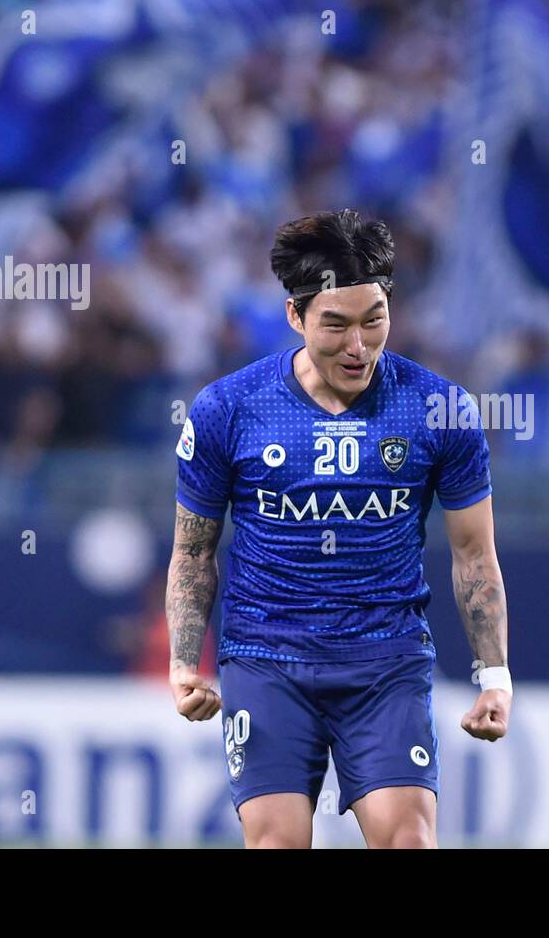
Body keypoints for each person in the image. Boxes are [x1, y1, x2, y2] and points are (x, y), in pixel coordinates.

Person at [165, 209, 512, 848]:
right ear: (295, 317)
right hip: (267, 657)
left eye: (373, 321)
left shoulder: (440, 409)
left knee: (409, 841)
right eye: (337, 325)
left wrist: (495, 676)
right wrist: (185, 662)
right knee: (278, 845)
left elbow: (473, 555)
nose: (358, 346)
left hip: (386, 660)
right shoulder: (228, 409)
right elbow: (193, 552)